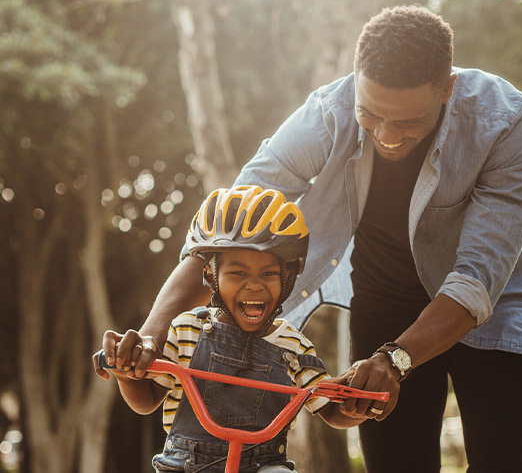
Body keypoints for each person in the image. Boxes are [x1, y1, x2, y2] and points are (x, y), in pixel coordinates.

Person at [126, 5, 522, 473]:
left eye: (409, 122)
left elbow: (475, 280)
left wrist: (396, 360)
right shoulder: (326, 114)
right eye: (370, 115)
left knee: (503, 460)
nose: (388, 137)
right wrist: (151, 338)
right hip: (386, 299)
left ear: (447, 90)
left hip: (495, 306)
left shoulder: (508, 122)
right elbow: (230, 228)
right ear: (356, 80)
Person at [94, 186, 372, 472]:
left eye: (269, 274)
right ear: (210, 275)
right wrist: (127, 376)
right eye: (238, 273)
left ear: (288, 277)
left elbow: (329, 407)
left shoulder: (293, 345)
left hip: (264, 466)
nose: (254, 284)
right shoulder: (187, 330)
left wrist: (357, 405)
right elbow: (147, 400)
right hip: (186, 466)